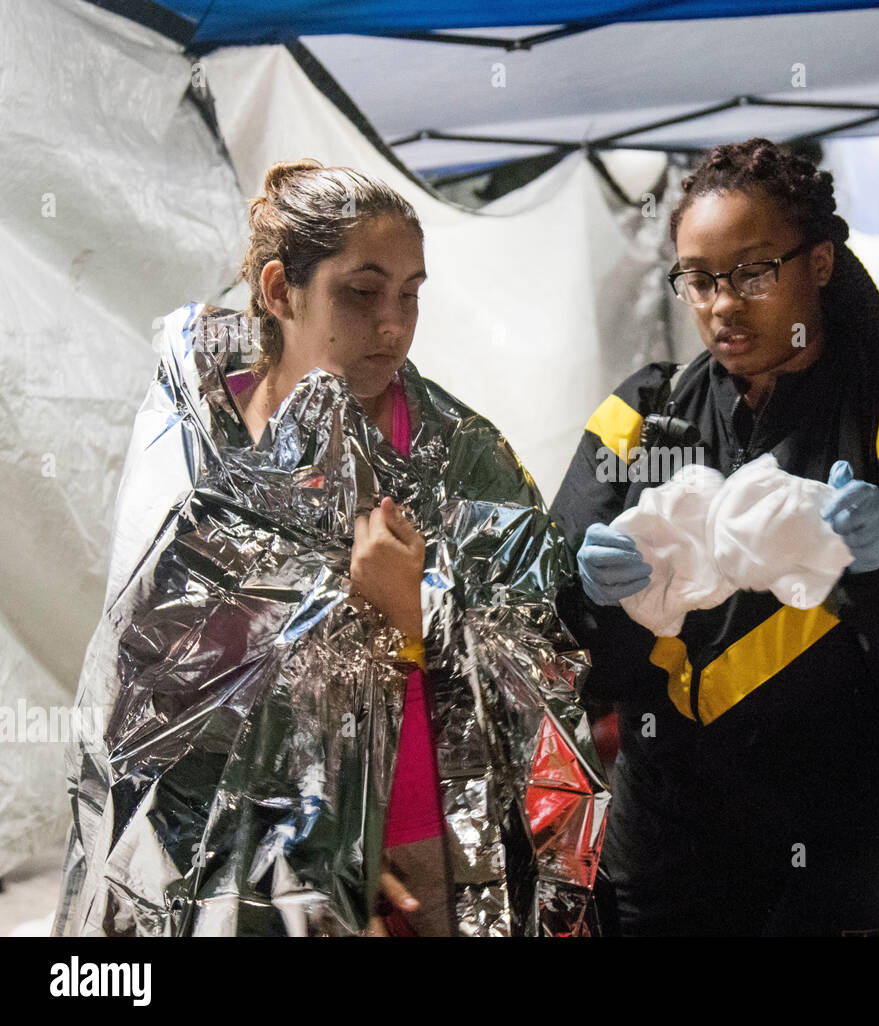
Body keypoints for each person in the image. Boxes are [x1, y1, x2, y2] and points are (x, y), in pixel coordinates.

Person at [53, 159, 604, 937]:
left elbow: (545, 656)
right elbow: (145, 692)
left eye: (411, 294)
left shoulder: (459, 454)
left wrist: (421, 613)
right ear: (281, 291)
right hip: (237, 851)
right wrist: (320, 841)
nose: (394, 325)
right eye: (362, 291)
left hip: (434, 841)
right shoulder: (194, 450)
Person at [550, 138, 879, 936]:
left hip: (859, 850)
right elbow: (573, 664)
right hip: (673, 855)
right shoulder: (637, 419)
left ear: (821, 263)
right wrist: (592, 605)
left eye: (754, 271)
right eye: (698, 278)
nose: (723, 303)